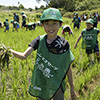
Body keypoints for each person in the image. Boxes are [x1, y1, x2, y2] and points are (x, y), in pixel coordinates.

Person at [10, 8, 77, 100]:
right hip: (43, 82)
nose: (50, 27)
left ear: (60, 24)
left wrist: (72, 88)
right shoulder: (39, 40)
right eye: (47, 24)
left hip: (58, 83)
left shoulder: (64, 44)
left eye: (54, 23)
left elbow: (67, 67)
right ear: (42, 25)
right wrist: (9, 51)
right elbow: (23, 56)